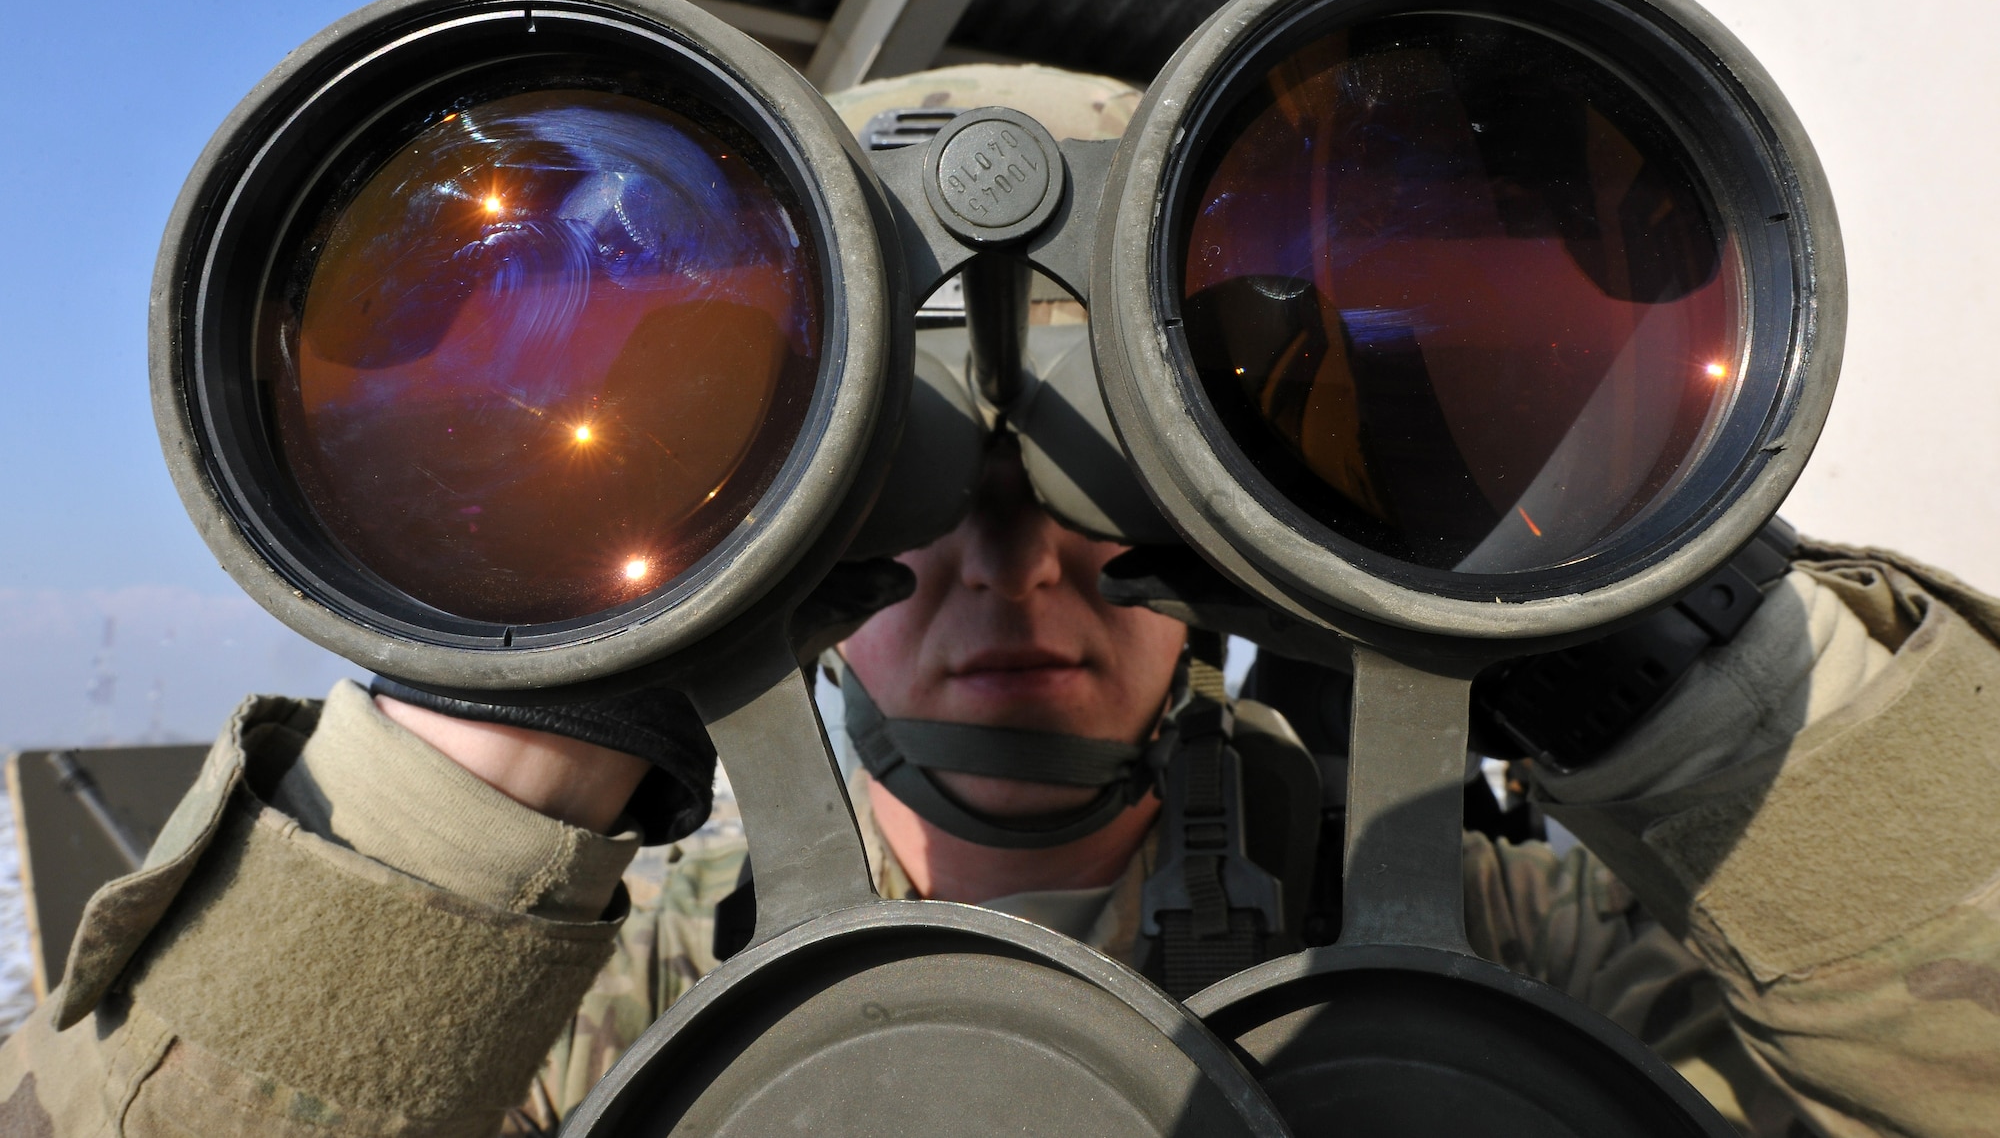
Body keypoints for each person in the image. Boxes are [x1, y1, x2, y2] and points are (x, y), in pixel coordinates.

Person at [4, 66, 1998, 1138]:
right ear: (798, 577)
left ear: (1229, 557)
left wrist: (1643, 622)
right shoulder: (611, 987)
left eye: (1093, 498)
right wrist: (531, 699)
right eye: (916, 514)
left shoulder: (1501, 920)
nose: (1015, 567)